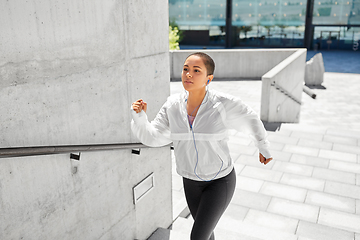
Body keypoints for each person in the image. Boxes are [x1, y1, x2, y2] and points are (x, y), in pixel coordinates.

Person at [131, 52, 273, 240]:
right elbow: (154, 137)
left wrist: (263, 146)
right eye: (185, 69)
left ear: (209, 78)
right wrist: (140, 118)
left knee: (198, 236)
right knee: (206, 234)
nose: (188, 74)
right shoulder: (172, 105)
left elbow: (250, 118)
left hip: (220, 181)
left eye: (196, 70)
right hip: (190, 182)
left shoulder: (222, 104)